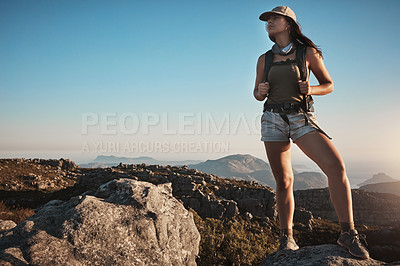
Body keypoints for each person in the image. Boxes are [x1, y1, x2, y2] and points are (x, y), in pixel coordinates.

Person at [253, 6, 370, 260]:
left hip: (302, 118)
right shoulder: (264, 59)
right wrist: (260, 91)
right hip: (272, 119)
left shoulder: (308, 52)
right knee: (284, 181)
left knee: (336, 167)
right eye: (267, 20)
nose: (269, 23)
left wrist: (311, 89)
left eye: (274, 18)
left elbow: (329, 85)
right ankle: (287, 238)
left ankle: (347, 233)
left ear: (288, 23)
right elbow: (256, 93)